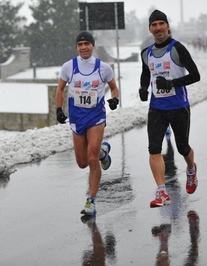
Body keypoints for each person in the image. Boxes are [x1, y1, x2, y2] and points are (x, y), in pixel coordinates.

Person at [139, 10, 200, 208]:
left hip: (179, 107)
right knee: (154, 149)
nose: (158, 28)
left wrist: (172, 83)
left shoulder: (177, 48)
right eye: (154, 25)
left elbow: (195, 75)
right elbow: (146, 74)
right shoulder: (146, 53)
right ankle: (162, 192)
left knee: (183, 148)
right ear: (150, 29)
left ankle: (191, 169)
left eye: (161, 24)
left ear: (167, 26)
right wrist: (142, 88)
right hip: (157, 108)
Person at [55, 31, 120, 216]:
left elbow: (114, 88)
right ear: (77, 47)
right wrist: (59, 109)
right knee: (82, 162)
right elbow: (60, 89)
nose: (83, 47)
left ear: (92, 45)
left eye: (87, 44)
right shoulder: (69, 67)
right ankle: (102, 152)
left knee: (91, 159)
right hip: (77, 119)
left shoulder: (103, 67)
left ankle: (91, 202)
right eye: (80, 44)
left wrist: (114, 99)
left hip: (96, 118)